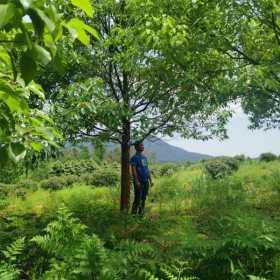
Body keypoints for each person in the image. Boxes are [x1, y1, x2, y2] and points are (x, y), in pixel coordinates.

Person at [130, 140, 153, 215]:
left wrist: (150, 180)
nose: (143, 146)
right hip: (139, 182)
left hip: (146, 181)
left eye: (143, 145)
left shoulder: (144, 158)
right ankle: (133, 215)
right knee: (137, 199)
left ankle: (141, 214)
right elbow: (133, 170)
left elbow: (147, 169)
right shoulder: (134, 158)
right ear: (136, 147)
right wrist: (136, 181)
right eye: (141, 145)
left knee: (143, 198)